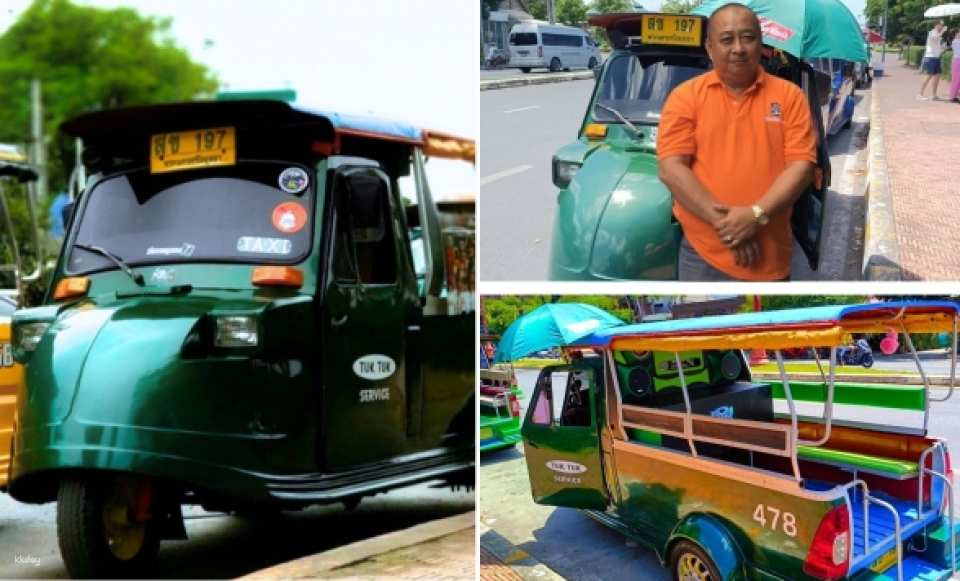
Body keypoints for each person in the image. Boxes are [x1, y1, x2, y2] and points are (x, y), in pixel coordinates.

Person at [657, 2, 816, 281]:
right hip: (703, 253)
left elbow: (801, 167)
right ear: (709, 47)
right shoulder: (685, 97)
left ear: (761, 43)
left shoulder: (790, 97)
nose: (738, 48)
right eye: (727, 39)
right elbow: (671, 169)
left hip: (770, 254)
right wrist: (731, 226)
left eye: (748, 37)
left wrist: (755, 216)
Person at [918, 20, 946, 101]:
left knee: (937, 76)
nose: (942, 26)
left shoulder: (938, 34)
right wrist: (943, 31)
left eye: (942, 25)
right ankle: (920, 94)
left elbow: (936, 46)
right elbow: (935, 39)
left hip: (936, 57)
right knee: (928, 76)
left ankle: (934, 95)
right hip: (930, 57)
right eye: (941, 25)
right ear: (936, 25)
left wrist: (943, 49)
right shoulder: (932, 32)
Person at [950, 29, 960, 103]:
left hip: (957, 61)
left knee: (957, 80)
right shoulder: (955, 41)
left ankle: (954, 96)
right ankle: (953, 97)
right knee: (956, 79)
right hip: (957, 61)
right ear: (956, 34)